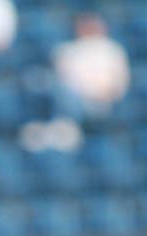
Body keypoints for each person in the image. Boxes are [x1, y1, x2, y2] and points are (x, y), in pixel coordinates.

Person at [20, 14, 129, 152]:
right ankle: (51, 130)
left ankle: (64, 132)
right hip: (73, 98)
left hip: (103, 102)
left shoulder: (112, 50)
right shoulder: (68, 50)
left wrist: (102, 94)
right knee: (41, 81)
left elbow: (119, 83)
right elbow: (63, 78)